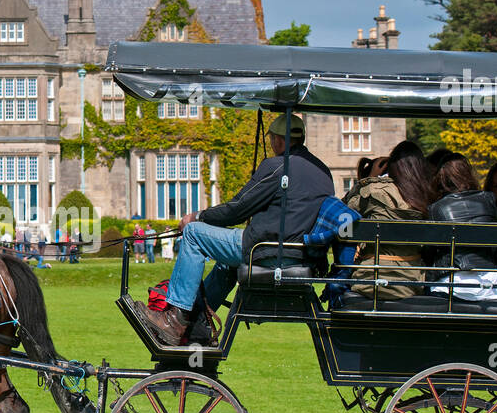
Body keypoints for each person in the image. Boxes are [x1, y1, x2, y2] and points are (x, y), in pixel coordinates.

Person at [141, 114, 333, 344]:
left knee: (193, 235)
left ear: (279, 141)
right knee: (225, 262)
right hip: (299, 254)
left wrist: (197, 217)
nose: (271, 145)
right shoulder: (323, 171)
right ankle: (199, 323)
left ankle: (175, 320)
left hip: (268, 251)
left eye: (271, 139)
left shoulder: (278, 166)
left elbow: (237, 209)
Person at [343, 141, 435, 300]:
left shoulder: (374, 190)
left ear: (391, 167)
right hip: (411, 283)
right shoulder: (429, 196)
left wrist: (371, 177)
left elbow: (343, 212)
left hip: (370, 278)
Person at [427, 154, 497, 300]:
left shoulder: (437, 208)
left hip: (452, 284)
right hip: (489, 282)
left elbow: (431, 250)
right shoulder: (489, 199)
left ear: (442, 178)